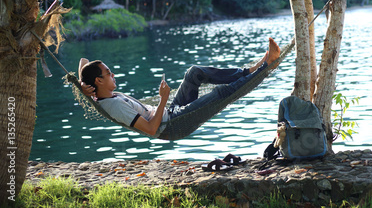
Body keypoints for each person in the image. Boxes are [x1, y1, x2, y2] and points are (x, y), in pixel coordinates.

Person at [79, 38, 281, 138]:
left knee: (194, 73)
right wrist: (164, 99)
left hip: (171, 110)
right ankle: (265, 67)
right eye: (108, 73)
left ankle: (250, 70)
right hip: (172, 124)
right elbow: (151, 130)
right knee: (219, 94)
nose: (112, 75)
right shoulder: (114, 106)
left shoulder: (102, 94)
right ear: (98, 81)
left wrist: (82, 85)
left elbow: (83, 63)